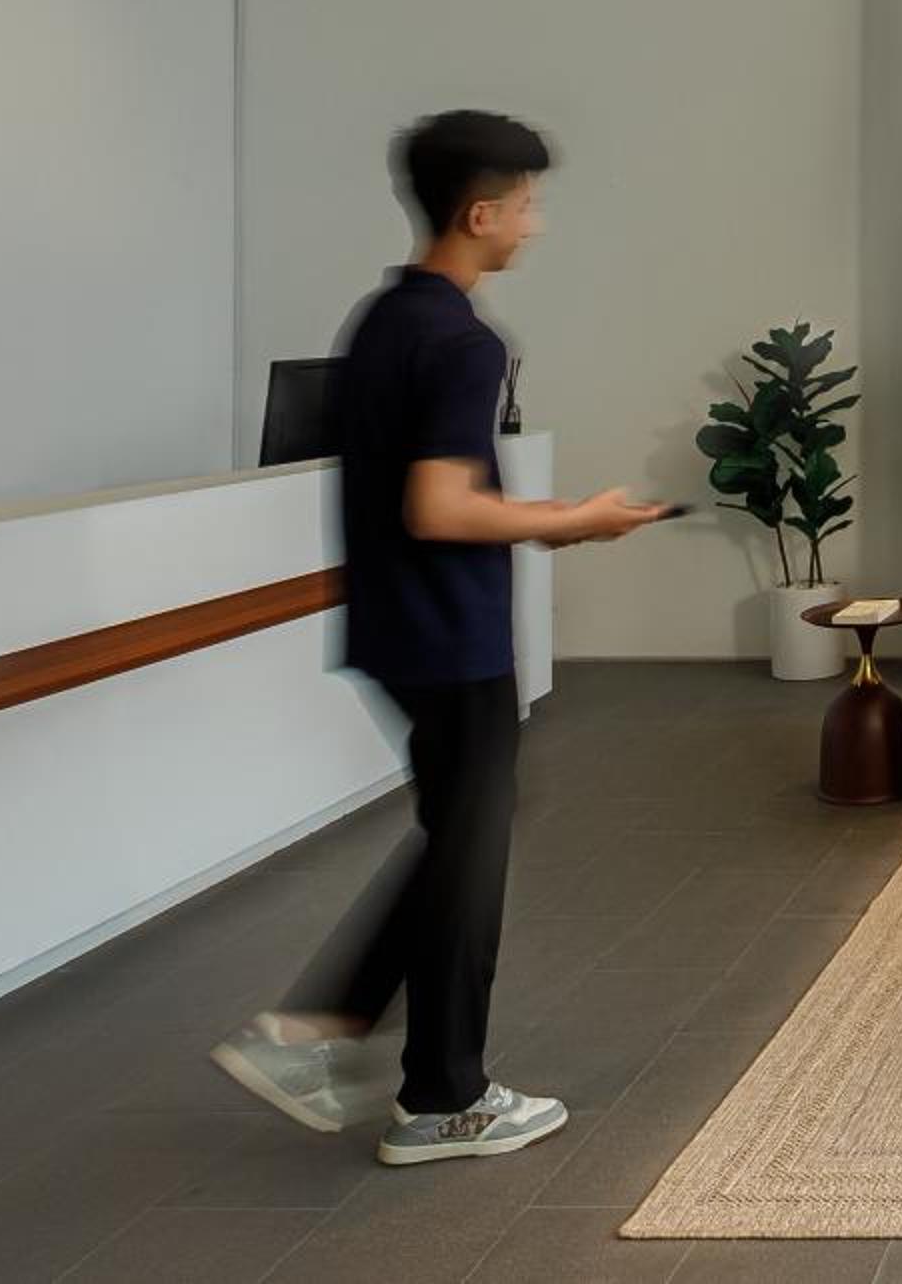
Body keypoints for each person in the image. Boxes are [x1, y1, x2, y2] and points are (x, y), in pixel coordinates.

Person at [210, 110, 666, 1166]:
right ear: (480, 212)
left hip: (395, 626)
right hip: (451, 635)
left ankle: (327, 1033)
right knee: (467, 851)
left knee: (461, 835)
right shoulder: (463, 341)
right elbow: (440, 505)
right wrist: (572, 520)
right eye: (527, 205)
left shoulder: (383, 318)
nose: (535, 225)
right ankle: (434, 1096)